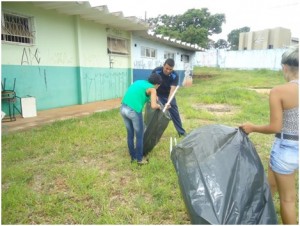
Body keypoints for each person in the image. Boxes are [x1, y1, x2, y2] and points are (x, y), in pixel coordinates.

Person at [240, 46, 299, 224]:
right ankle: (261, 218)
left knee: (288, 199)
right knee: (270, 186)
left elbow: (275, 126)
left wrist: (252, 127)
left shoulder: (279, 91)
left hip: (286, 148)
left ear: (285, 67)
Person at [120, 73, 162, 165]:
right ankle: (139, 159)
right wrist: (159, 106)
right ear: (157, 84)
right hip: (133, 111)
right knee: (139, 136)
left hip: (123, 108)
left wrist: (153, 98)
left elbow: (141, 95)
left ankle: (132, 156)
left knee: (130, 134)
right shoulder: (153, 89)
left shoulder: (139, 82)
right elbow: (154, 105)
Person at [152, 58, 186, 137]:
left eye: (170, 69)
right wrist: (155, 96)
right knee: (156, 112)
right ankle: (153, 132)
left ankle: (181, 132)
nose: (168, 71)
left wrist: (168, 102)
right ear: (163, 66)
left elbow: (172, 91)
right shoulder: (156, 71)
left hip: (168, 95)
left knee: (175, 112)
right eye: (166, 68)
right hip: (158, 94)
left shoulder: (175, 75)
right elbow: (152, 85)